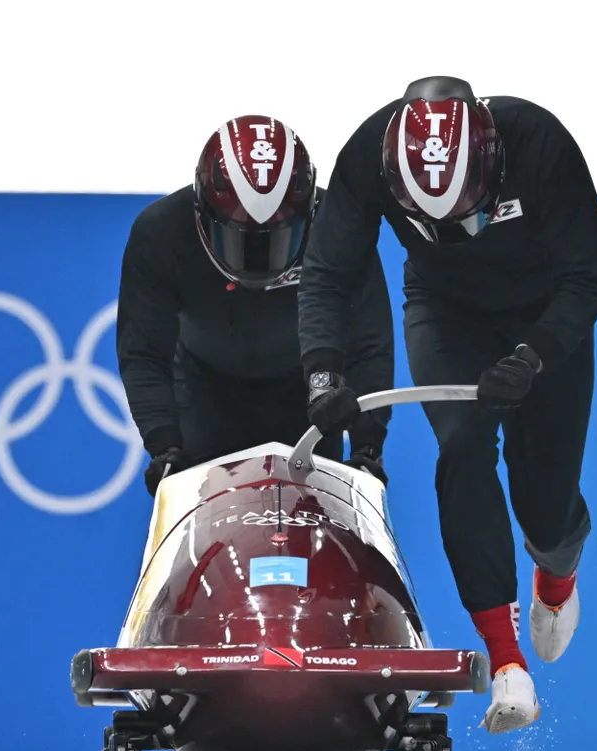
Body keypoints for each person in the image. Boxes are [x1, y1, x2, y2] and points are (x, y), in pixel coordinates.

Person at [295, 76, 597, 734]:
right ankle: (507, 664)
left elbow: (591, 278)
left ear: (492, 169)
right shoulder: (367, 156)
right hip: (448, 317)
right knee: (463, 449)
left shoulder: (538, 141)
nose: (455, 231)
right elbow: (327, 273)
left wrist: (532, 356)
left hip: (544, 316)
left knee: (545, 509)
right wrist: (324, 374)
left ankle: (556, 570)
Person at [116, 114, 394, 503]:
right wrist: (165, 446)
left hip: (307, 402)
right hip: (205, 396)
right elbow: (144, 352)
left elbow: (369, 341)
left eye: (277, 239)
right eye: (238, 239)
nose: (257, 261)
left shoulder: (340, 227)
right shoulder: (160, 232)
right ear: (201, 214)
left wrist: (367, 447)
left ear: (310, 218)